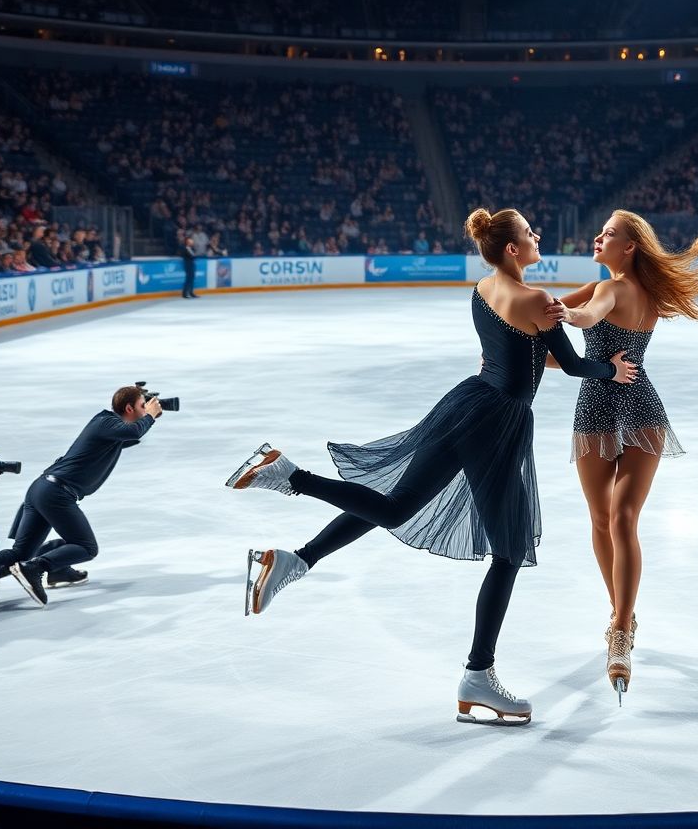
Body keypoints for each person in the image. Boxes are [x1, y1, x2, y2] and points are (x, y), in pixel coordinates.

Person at [224, 208, 637, 725]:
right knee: (507, 551)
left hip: (467, 403)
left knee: (394, 506)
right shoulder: (538, 300)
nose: (538, 238)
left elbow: (527, 352)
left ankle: (293, 553)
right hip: (498, 424)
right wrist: (612, 369)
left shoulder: (485, 289)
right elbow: (573, 364)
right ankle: (477, 675)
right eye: (530, 234)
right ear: (513, 249)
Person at [544, 212, 698, 704]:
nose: (598, 237)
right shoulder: (607, 286)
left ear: (632, 246)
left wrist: (565, 318)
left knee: (622, 516)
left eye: (609, 234)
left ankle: (619, 628)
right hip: (600, 406)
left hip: (635, 408)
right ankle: (624, 609)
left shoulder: (608, 291)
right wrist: (530, 330)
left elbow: (580, 317)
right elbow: (555, 326)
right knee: (601, 518)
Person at [0, 387, 162, 607]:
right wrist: (151, 417)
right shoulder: (105, 422)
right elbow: (135, 432)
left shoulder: (110, 431)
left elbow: (134, 436)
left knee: (20, 553)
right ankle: (37, 568)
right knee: (86, 547)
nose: (146, 410)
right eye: (142, 406)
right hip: (56, 493)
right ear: (128, 408)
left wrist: (149, 415)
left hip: (44, 489)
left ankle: (55, 571)